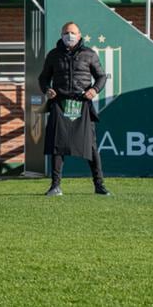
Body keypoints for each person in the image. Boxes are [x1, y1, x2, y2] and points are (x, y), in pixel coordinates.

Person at [38, 21, 110, 197]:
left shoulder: (89, 54)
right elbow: (43, 78)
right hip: (60, 104)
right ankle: (55, 186)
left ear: (79, 35)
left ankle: (99, 185)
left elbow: (101, 76)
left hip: (82, 104)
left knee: (91, 146)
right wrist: (47, 89)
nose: (69, 36)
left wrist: (94, 90)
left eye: (73, 33)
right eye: (66, 32)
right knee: (57, 146)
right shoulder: (53, 55)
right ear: (61, 35)